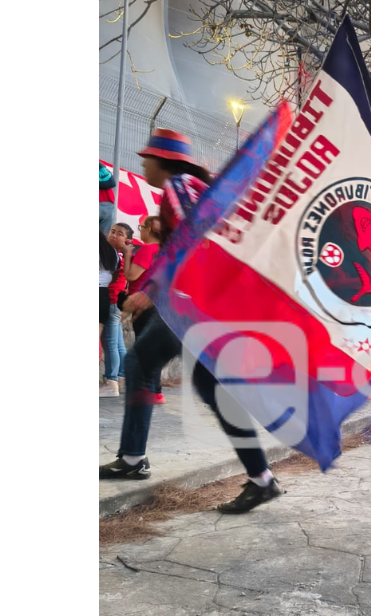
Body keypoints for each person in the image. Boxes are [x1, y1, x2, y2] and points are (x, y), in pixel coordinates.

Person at [100, 129, 283, 515]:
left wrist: (151, 290)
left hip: (196, 304)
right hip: (206, 302)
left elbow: (194, 240)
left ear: (163, 161)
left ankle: (134, 459)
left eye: (147, 157)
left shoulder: (178, 187)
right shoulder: (192, 186)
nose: (143, 163)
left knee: (141, 363)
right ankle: (261, 479)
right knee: (207, 386)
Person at [121, 216, 166, 404]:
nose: (140, 231)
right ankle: (155, 391)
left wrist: (127, 253)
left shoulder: (148, 250)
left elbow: (131, 275)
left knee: (144, 348)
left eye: (142, 227)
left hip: (144, 304)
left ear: (149, 230)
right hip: (156, 303)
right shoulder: (162, 250)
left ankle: (152, 390)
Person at [101, 223, 132, 397]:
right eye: (112, 231)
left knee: (110, 343)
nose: (114, 235)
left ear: (126, 239)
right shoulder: (122, 253)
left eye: (119, 234)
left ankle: (111, 383)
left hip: (112, 301)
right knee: (119, 343)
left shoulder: (114, 254)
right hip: (117, 302)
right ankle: (121, 377)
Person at [99, 163, 117, 235]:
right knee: (103, 239)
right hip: (109, 206)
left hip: (106, 205)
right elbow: (112, 182)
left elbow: (111, 182)